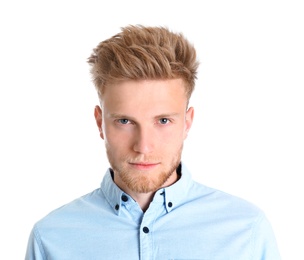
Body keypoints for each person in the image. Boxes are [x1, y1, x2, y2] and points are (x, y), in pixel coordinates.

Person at [25, 25, 281, 260]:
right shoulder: (51, 238)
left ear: (187, 123)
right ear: (99, 122)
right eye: (125, 121)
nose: (143, 147)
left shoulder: (247, 231)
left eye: (163, 121)